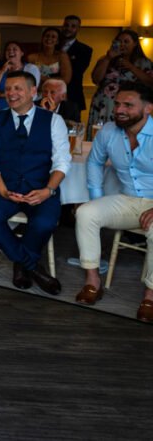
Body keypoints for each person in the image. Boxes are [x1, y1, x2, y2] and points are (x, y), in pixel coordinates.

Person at [0, 71, 71, 295]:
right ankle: (34, 268)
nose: (11, 93)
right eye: (9, 88)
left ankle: (21, 265)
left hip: (41, 188)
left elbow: (62, 162)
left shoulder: (54, 121)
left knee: (45, 223)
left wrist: (48, 190)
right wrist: (2, 190)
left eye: (18, 88)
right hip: (5, 186)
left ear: (33, 92)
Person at [73, 83, 153, 322]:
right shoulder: (108, 131)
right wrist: (97, 200)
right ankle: (92, 281)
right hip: (127, 199)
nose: (119, 109)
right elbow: (95, 163)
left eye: (128, 105)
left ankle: (150, 295)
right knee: (86, 213)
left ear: (148, 108)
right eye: (117, 104)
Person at [87, 29, 153, 138]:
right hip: (104, 106)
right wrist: (108, 58)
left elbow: (150, 82)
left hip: (128, 108)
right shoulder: (106, 60)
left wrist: (131, 67)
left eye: (126, 42)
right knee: (101, 138)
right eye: (119, 41)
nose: (122, 44)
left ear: (135, 44)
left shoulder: (144, 63)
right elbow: (96, 79)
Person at [0, 41, 41, 114]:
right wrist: (2, 71)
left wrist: (1, 94)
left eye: (14, 49)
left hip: (21, 112)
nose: (11, 51)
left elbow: (30, 92)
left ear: (22, 53)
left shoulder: (31, 68)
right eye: (8, 50)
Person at [61, 15, 93, 111]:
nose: (69, 28)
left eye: (73, 26)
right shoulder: (54, 46)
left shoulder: (85, 50)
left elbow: (77, 72)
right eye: (66, 25)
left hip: (72, 96)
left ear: (78, 29)